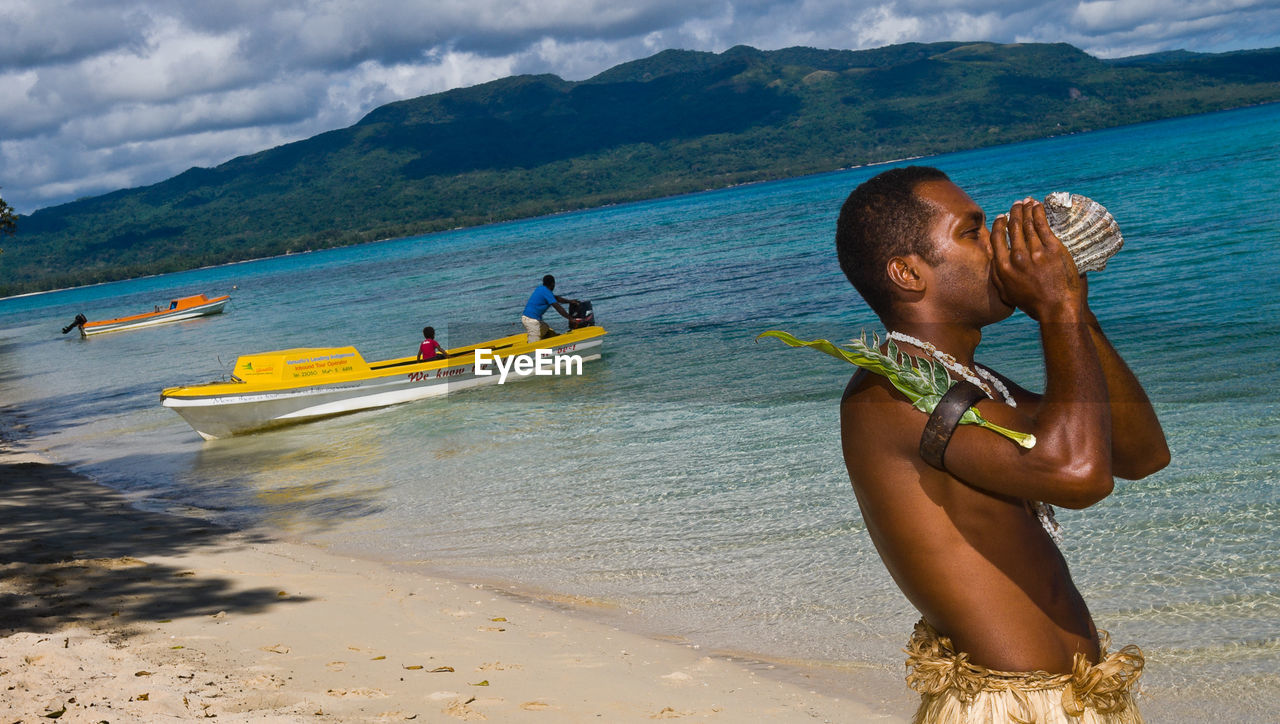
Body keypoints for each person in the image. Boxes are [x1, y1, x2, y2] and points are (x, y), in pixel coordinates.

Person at [835, 167, 1168, 723]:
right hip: (1006, 709)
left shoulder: (975, 384)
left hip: (1066, 699)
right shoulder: (892, 391)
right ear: (908, 273)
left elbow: (1139, 453)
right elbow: (1080, 475)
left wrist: (1075, 310)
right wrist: (1056, 309)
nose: (996, 244)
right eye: (972, 231)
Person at [521, 274, 579, 344]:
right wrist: (571, 319)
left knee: (545, 329)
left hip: (531, 319)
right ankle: (531, 350)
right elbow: (559, 308)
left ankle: (545, 342)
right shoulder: (547, 292)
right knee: (534, 344)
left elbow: (557, 298)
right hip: (531, 320)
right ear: (553, 284)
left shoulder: (541, 289)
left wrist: (570, 301)